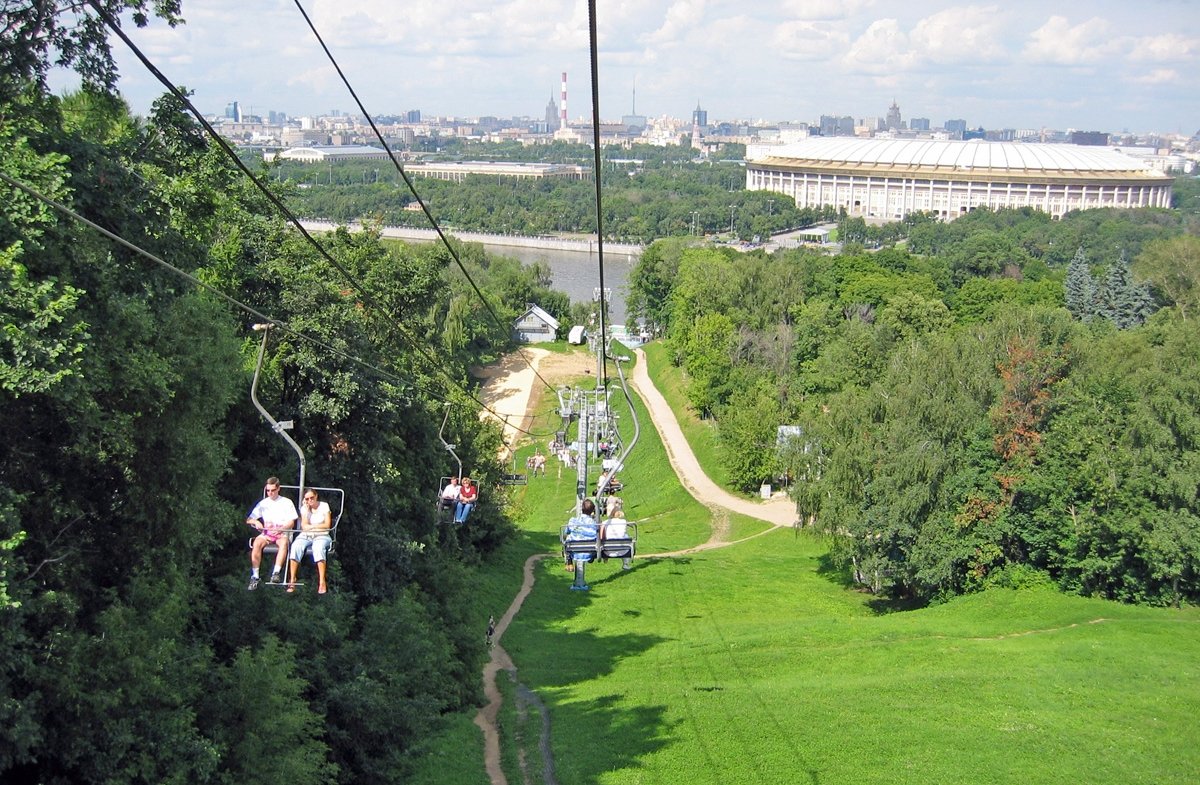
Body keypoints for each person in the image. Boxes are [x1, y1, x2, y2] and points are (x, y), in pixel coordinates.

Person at [245, 476, 298, 590]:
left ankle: (276, 573)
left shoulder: (287, 502)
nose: (270, 493)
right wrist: (256, 522)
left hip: (282, 533)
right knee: (256, 543)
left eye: (273, 490)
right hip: (267, 533)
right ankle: (255, 576)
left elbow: (292, 522)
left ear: (278, 489)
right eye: (268, 490)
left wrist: (282, 528)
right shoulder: (263, 503)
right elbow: (249, 519)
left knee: (283, 543)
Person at [287, 487, 332, 595]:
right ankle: (292, 578)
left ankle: (322, 581)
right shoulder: (304, 509)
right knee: (296, 546)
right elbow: (304, 526)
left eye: (312, 498)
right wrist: (306, 511)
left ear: (316, 496)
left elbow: (327, 525)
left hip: (322, 535)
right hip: (307, 535)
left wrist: (312, 527)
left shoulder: (324, 506)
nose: (310, 501)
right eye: (307, 499)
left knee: (318, 548)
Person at [562, 498, 599, 571]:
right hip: (589, 551)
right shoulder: (594, 523)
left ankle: (569, 561)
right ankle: (589, 558)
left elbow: (566, 532)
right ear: (592, 511)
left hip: (574, 551)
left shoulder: (573, 521)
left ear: (581, 509)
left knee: (568, 538)